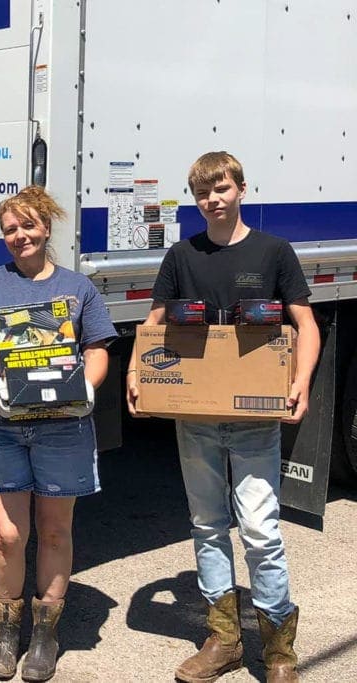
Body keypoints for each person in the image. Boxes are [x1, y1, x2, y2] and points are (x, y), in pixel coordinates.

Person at [127, 151, 318, 683]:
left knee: (260, 530)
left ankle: (279, 650)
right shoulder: (182, 255)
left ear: (241, 189)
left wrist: (300, 381)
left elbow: (305, 323)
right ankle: (224, 639)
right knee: (208, 524)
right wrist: (137, 374)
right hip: (196, 416)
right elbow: (155, 321)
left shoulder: (274, 252)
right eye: (203, 193)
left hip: (256, 416)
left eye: (222, 189)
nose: (213, 200)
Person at [0, 186, 116, 681]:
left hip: (63, 426)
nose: (19, 236)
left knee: (54, 530)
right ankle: (7, 629)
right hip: (1, 426)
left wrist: (89, 388)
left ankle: (45, 633)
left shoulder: (79, 287)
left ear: (46, 228)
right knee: (8, 535)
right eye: (10, 229)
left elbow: (97, 349)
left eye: (28, 226)